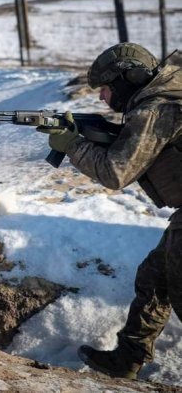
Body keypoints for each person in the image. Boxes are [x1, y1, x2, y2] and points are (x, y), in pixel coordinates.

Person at [38, 43, 182, 379]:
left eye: (105, 88)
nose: (103, 97)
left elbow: (116, 173)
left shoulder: (155, 110)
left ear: (128, 79)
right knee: (155, 277)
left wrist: (71, 144)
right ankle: (128, 358)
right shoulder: (167, 97)